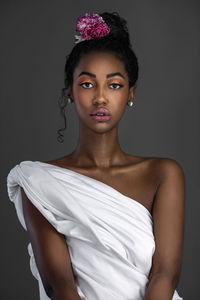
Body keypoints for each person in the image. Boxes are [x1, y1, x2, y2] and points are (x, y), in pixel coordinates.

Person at [7, 12, 185, 300]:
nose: (100, 98)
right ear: (70, 92)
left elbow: (165, 273)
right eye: (87, 84)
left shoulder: (163, 174)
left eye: (114, 85)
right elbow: (60, 285)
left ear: (130, 93)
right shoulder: (39, 182)